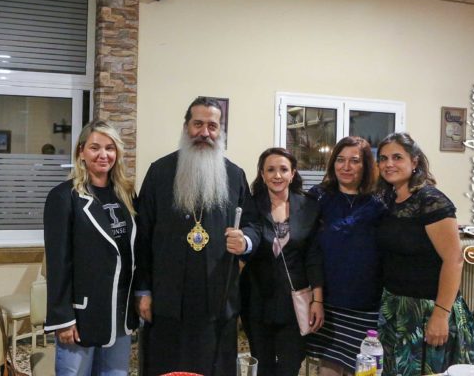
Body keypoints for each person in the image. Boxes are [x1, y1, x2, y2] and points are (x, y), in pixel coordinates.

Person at [135, 97, 255, 376]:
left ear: (220, 131)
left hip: (217, 299)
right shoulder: (160, 172)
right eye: (198, 124)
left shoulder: (234, 175)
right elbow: (142, 236)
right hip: (167, 299)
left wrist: (245, 240)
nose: (205, 132)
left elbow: (252, 225)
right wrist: (143, 290)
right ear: (186, 127)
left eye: (212, 126)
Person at [376, 132, 474, 375]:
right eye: (383, 158)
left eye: (397, 157)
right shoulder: (389, 199)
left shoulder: (431, 200)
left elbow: (454, 260)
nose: (389, 164)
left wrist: (440, 315)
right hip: (395, 308)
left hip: (428, 310)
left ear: (414, 161)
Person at [44, 120, 138, 376]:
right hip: (81, 314)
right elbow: (58, 263)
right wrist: (63, 319)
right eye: (95, 147)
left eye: (110, 148)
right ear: (81, 152)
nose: (103, 155)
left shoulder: (126, 195)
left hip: (119, 310)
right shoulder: (63, 197)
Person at [239, 147, 324, 376]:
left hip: (294, 303)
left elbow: (313, 257)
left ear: (293, 173)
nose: (277, 175)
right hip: (257, 300)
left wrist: (318, 300)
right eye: (271, 170)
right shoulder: (251, 206)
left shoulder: (309, 207)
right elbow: (247, 244)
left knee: (290, 366)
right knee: (262, 366)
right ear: (262, 174)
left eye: (284, 169)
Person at [305, 136, 385, 375]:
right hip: (328, 302)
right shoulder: (319, 197)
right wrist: (317, 299)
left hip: (367, 304)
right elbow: (311, 250)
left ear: (366, 165)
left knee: (363, 368)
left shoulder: (380, 201)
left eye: (354, 161)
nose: (346, 167)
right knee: (328, 368)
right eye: (340, 160)